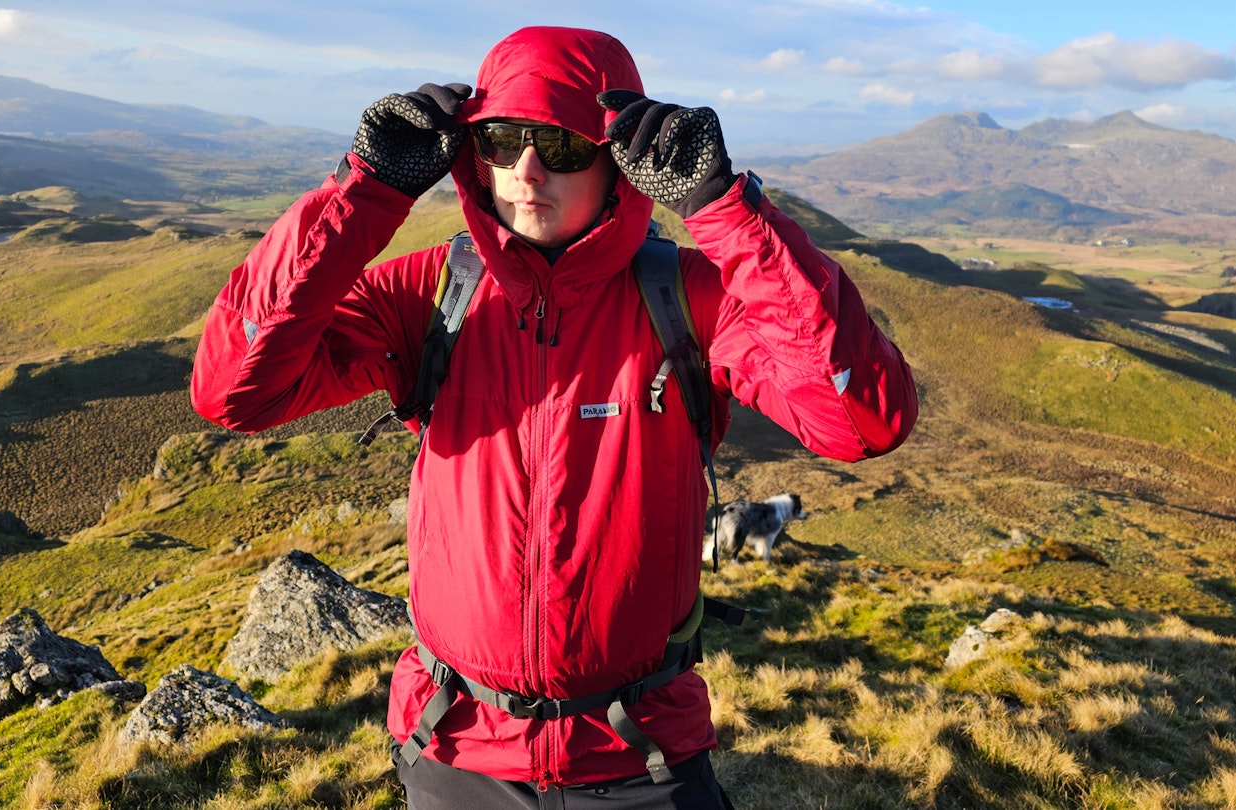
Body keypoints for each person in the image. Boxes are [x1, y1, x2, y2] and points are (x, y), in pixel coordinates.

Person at [191, 25, 917, 809]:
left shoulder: (688, 299)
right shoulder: (433, 294)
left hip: (640, 758)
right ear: (473, 155)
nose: (526, 170)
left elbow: (860, 419)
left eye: (563, 146)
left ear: (621, 164)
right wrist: (363, 190)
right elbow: (236, 390)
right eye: (501, 141)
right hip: (457, 748)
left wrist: (723, 210)